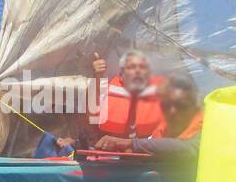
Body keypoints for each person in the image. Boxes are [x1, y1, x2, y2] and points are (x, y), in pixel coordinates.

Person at [34, 49, 167, 157]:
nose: (137, 71)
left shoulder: (164, 93)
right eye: (131, 67)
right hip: (107, 158)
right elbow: (92, 114)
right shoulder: (109, 90)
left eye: (142, 67)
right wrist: (98, 75)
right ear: (121, 73)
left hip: (147, 157)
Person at [94, 72, 204, 159]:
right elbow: (154, 144)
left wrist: (131, 144)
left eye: (181, 105)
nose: (173, 111)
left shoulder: (208, 125)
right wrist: (123, 148)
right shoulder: (166, 125)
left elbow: (190, 149)